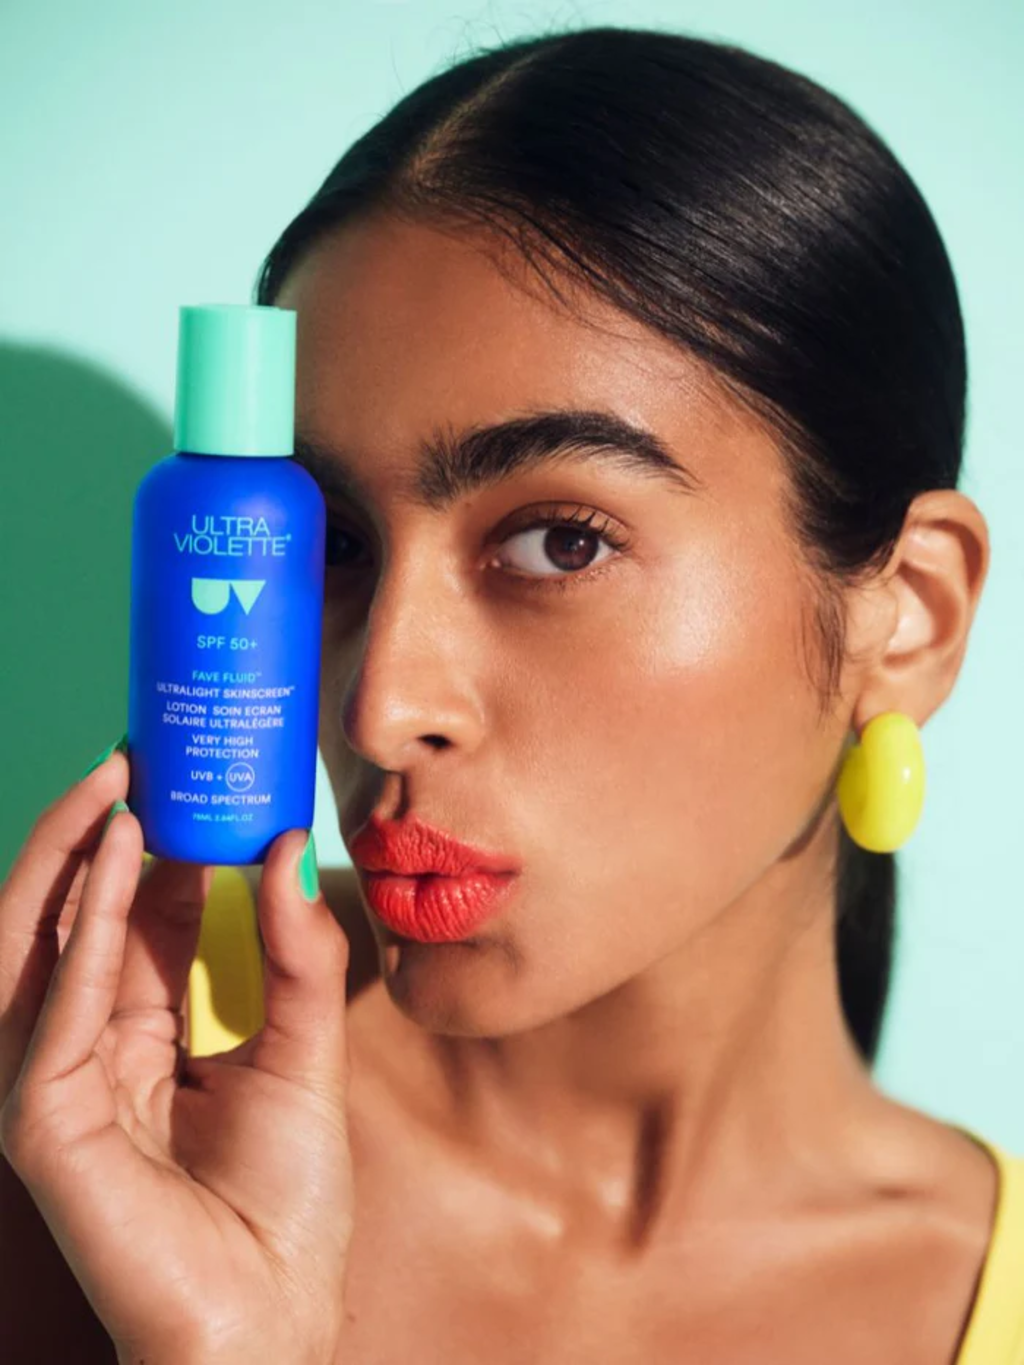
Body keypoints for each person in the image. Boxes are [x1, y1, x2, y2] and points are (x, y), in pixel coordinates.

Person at [2, 23, 1022, 1364]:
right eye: (334, 544)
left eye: (561, 544)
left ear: (909, 617)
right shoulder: (95, 1125)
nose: (377, 710)